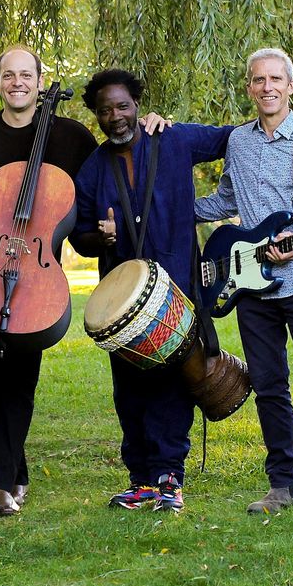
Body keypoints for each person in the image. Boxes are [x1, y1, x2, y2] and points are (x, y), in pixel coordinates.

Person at [0, 46, 166, 515]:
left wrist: (153, 124)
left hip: (36, 267)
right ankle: (15, 470)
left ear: (39, 80)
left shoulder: (71, 137)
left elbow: (113, 160)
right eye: (9, 75)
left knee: (22, 374)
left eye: (26, 75)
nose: (17, 83)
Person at [195, 47, 293, 525]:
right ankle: (282, 486)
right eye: (258, 80)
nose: (267, 87)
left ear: (290, 86)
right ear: (249, 87)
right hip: (252, 287)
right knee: (268, 386)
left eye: (275, 79)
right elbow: (225, 200)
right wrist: (168, 207)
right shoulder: (238, 143)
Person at [70, 69, 233, 513]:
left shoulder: (175, 140)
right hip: (123, 304)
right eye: (105, 110)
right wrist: (99, 238)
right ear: (96, 115)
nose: (115, 116)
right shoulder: (92, 169)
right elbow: (79, 235)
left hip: (176, 291)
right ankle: (140, 479)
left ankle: (168, 478)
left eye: (123, 106)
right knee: (129, 390)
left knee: (172, 384)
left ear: (137, 105)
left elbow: (232, 138)